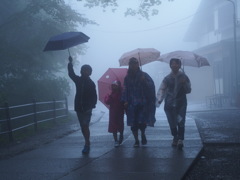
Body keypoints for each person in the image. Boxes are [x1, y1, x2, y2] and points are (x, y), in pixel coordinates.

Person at [156, 58, 191, 150]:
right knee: (172, 122)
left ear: (179, 65)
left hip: (181, 103)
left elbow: (189, 90)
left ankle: (180, 139)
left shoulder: (184, 77)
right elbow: (162, 89)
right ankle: (175, 137)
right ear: (170, 65)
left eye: (176, 64)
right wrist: (159, 100)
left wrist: (185, 84)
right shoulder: (167, 78)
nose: (174, 65)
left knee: (181, 120)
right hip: (169, 104)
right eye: (172, 64)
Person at [121, 57, 156, 147]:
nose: (133, 65)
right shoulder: (127, 78)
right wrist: (124, 100)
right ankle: (136, 140)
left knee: (142, 122)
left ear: (138, 64)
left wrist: (144, 81)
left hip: (143, 103)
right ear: (129, 65)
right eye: (132, 64)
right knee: (133, 124)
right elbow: (125, 89)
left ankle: (143, 134)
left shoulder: (144, 75)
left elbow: (151, 87)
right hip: (131, 104)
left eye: (135, 63)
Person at [67, 56, 97, 154]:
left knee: (85, 125)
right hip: (79, 108)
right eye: (84, 70)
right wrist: (70, 63)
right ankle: (87, 141)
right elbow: (71, 74)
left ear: (90, 72)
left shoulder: (91, 83)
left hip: (87, 108)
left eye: (88, 70)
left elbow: (94, 96)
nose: (86, 72)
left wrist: (92, 105)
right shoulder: (78, 80)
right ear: (81, 71)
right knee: (83, 126)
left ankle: (87, 144)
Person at [104, 80, 124, 147]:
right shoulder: (111, 94)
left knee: (120, 124)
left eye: (115, 86)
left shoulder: (122, 93)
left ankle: (121, 135)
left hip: (120, 112)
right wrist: (108, 96)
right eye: (113, 86)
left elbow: (124, 102)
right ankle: (116, 140)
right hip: (113, 112)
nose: (114, 87)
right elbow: (107, 102)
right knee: (113, 126)